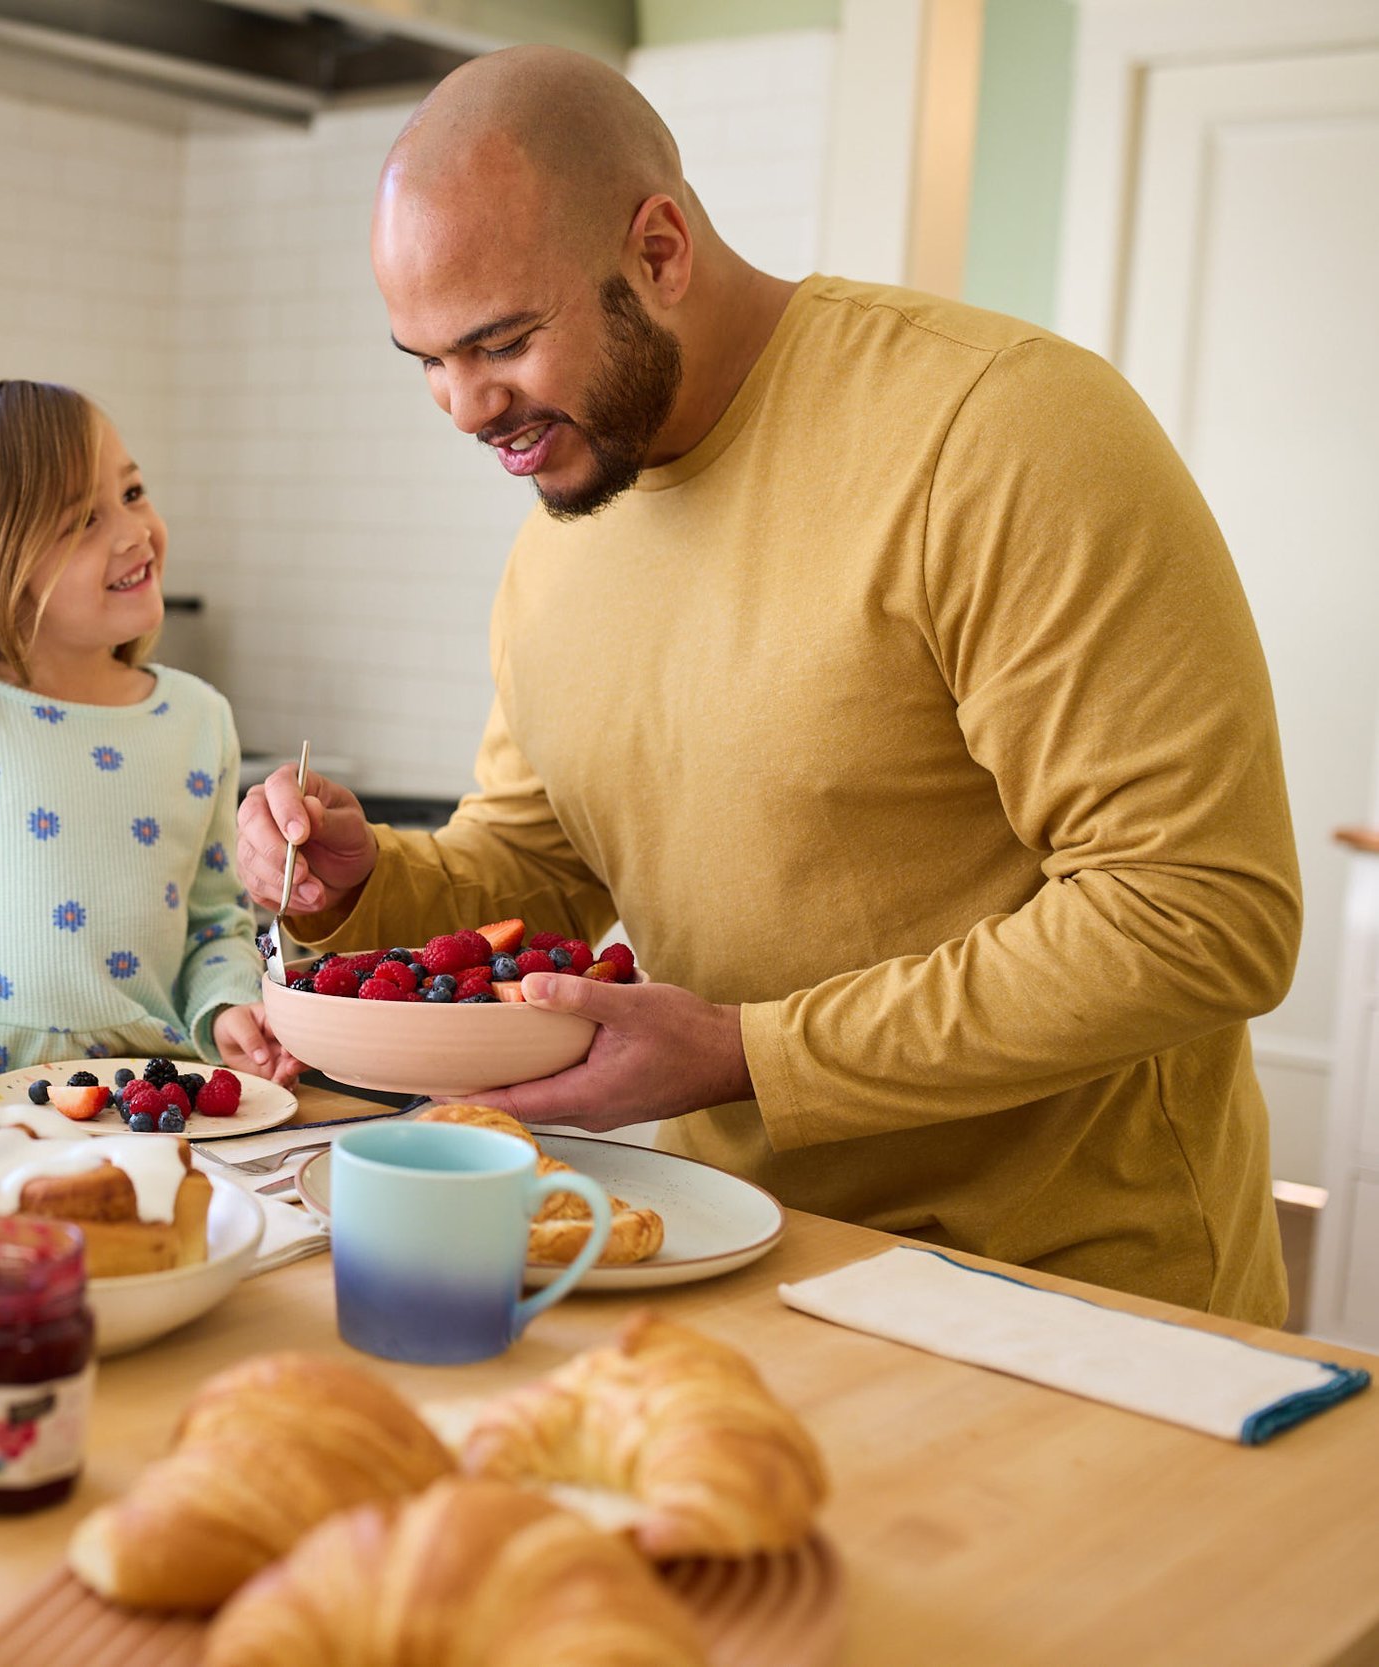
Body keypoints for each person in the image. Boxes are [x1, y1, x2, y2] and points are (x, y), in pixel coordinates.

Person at [238, 47, 1299, 1321]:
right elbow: (534, 866)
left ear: (661, 250)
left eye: (502, 341)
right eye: (424, 358)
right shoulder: (564, 520)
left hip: (1072, 1299)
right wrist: (365, 882)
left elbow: (1200, 912)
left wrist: (751, 1053)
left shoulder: (1001, 431)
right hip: (717, 1260)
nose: (464, 407)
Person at [0, 380, 299, 1085]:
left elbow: (212, 925)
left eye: (132, 493)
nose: (135, 532)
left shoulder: (198, 720)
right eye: (81, 522)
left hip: (150, 1108)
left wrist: (227, 1007)